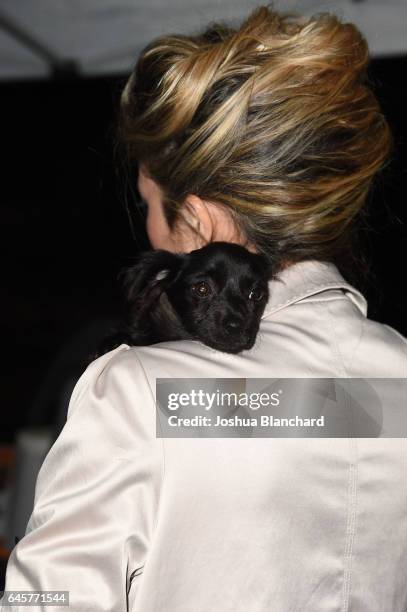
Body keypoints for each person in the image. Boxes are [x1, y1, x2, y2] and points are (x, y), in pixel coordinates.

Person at [2, 5, 407, 611]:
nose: (148, 228)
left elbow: (49, 604)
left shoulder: (143, 395)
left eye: (148, 203)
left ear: (199, 218)